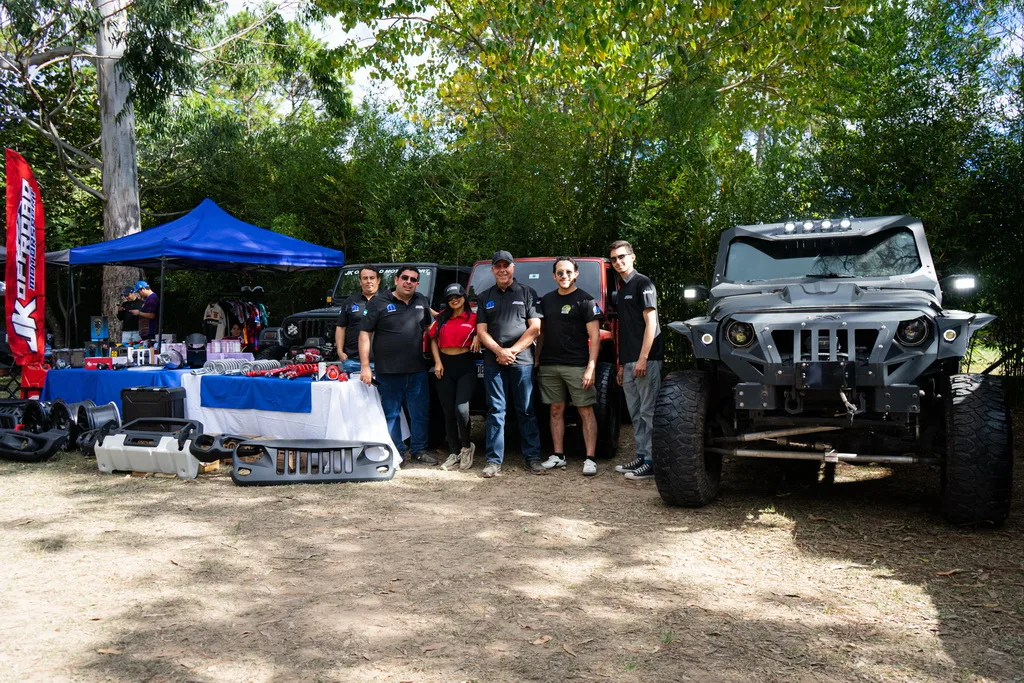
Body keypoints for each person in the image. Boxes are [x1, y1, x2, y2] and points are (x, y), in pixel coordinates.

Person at [475, 250, 544, 478]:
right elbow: (481, 331)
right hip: (494, 361)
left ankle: (532, 458)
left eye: (506, 265)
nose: (502, 270)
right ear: (493, 269)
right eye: (498, 266)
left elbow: (535, 328)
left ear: (513, 268)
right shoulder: (485, 296)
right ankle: (494, 461)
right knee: (496, 411)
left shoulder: (527, 292)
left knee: (526, 410)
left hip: (521, 360)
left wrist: (512, 351)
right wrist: (499, 351)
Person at [359, 264, 435, 465]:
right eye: (405, 278)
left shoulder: (422, 301)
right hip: (389, 371)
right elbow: (365, 333)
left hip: (418, 369)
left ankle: (419, 450)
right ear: (396, 280)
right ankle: (396, 453)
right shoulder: (379, 302)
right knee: (391, 414)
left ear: (417, 283)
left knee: (420, 413)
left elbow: (432, 329)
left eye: (413, 279)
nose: (408, 282)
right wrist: (365, 366)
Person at [536, 257, 603, 476]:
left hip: (577, 365)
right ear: (554, 276)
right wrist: (537, 360)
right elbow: (542, 333)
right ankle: (558, 456)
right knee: (556, 410)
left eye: (567, 272)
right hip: (549, 365)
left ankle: (590, 458)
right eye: (559, 273)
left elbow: (595, 337)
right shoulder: (546, 300)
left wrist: (591, 368)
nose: (563, 276)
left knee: (585, 410)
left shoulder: (586, 300)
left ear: (575, 274)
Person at [608, 240, 664, 481]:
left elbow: (652, 323)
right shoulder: (621, 290)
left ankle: (652, 462)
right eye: (614, 259)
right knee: (635, 413)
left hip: (646, 360)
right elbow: (624, 330)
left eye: (622, 257)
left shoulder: (643, 283)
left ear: (633, 257)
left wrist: (643, 358)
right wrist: (621, 363)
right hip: (629, 361)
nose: (618, 262)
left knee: (649, 412)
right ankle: (642, 456)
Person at [428, 283, 480, 471]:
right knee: (448, 411)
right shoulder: (441, 318)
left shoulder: (474, 317)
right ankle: (454, 451)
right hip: (444, 366)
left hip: (465, 366)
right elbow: (432, 339)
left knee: (461, 410)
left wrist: (478, 337)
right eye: (450, 298)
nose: (454, 300)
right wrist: (437, 362)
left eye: (457, 296)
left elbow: (484, 330)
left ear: (464, 297)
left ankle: (467, 447)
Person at [335, 266, 387, 375]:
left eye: (372, 278)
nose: (368, 281)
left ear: (378, 280)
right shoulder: (350, 301)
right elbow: (341, 327)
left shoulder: (388, 300)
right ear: (360, 281)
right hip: (353, 362)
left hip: (383, 362)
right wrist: (340, 351)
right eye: (365, 278)